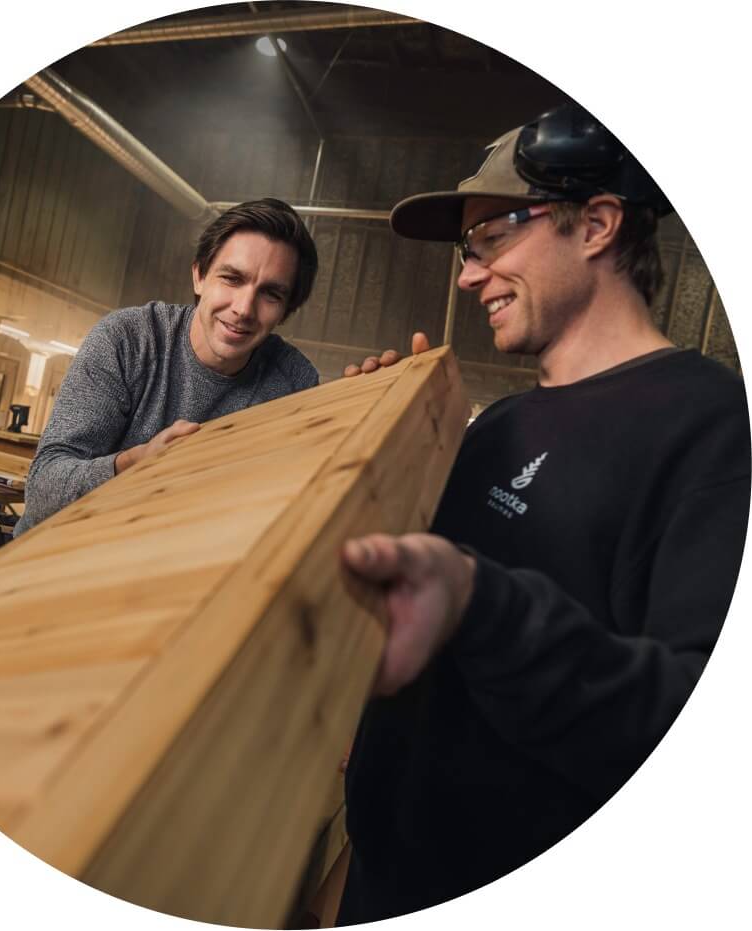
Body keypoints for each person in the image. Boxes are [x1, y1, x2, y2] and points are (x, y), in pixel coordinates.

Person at [336, 104, 751, 922]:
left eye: (492, 237)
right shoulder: (498, 425)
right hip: (385, 869)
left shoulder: (708, 428)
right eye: (467, 251)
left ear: (595, 224)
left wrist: (482, 605)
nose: (466, 275)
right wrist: (369, 452)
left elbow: (693, 723)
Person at [15, 198, 319, 536]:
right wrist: (133, 464)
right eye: (232, 279)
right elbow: (42, 491)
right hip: (53, 561)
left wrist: (370, 397)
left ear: (286, 311)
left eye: (271, 295)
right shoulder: (127, 340)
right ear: (199, 276)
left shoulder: (295, 384)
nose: (244, 309)